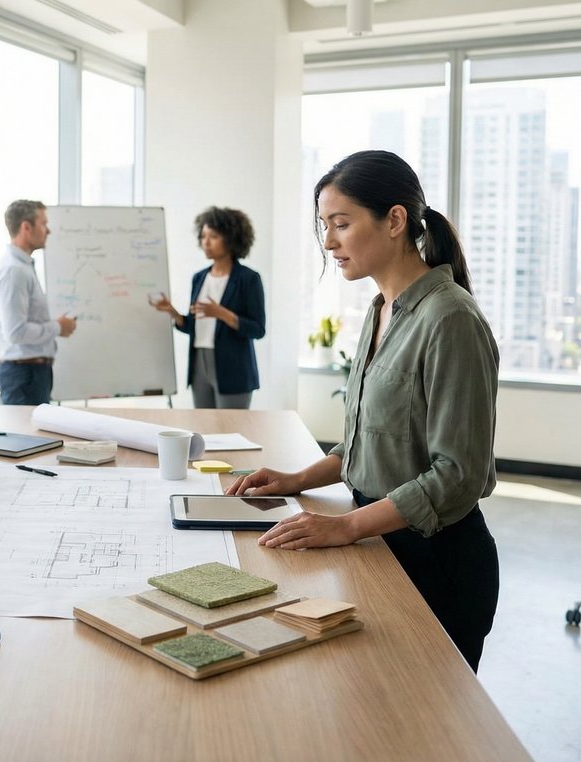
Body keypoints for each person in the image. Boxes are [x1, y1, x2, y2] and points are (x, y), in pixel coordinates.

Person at [225, 150, 500, 671]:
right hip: (382, 544)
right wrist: (297, 478)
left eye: (341, 224)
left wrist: (347, 526)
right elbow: (371, 439)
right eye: (323, 226)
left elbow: (458, 476)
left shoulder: (450, 319)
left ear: (395, 220)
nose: (328, 242)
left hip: (438, 564)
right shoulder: (380, 310)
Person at [149, 206, 266, 409]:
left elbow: (257, 329)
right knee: (204, 427)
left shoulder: (249, 279)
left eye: (213, 236)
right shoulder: (199, 277)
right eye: (203, 236)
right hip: (199, 363)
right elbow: (193, 326)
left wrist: (223, 314)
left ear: (230, 238)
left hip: (233, 368)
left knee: (230, 430)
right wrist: (173, 313)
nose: (206, 242)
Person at [0, 199, 76, 405]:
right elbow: (15, 332)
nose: (48, 231)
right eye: (44, 224)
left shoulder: (22, 267)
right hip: (25, 375)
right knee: (28, 436)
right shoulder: (15, 271)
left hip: (31, 374)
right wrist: (58, 327)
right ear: (26, 227)